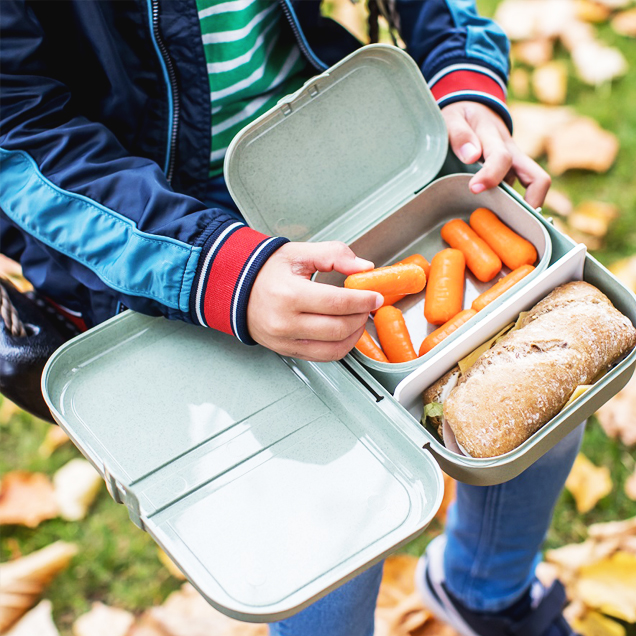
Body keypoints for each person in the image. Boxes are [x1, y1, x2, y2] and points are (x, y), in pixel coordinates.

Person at [1, 1, 576, 635]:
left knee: (542, 410)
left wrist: (461, 72)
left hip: (351, 163)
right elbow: (16, 130)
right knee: (331, 528)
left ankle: (485, 595)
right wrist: (219, 270)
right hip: (156, 241)